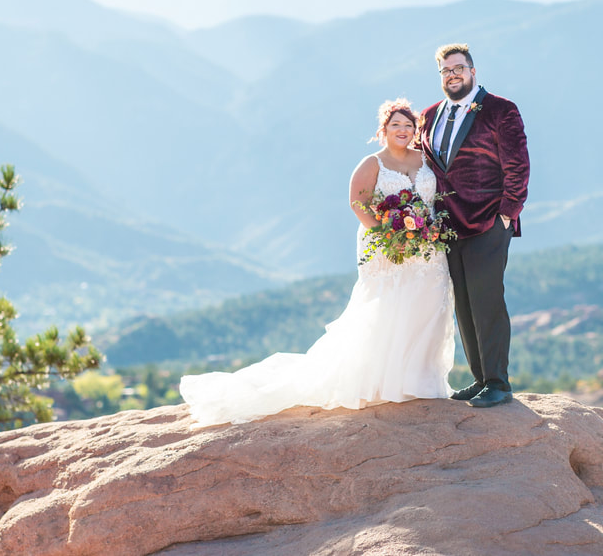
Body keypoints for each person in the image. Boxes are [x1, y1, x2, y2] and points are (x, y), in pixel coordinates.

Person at [179, 100, 455, 426]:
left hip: (428, 246)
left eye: (408, 126)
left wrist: (428, 229)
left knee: (426, 306)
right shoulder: (372, 163)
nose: (403, 130)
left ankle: (420, 381)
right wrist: (388, 233)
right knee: (387, 309)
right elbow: (358, 203)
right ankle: (385, 383)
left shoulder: (425, 160)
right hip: (386, 247)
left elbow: (437, 198)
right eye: (396, 125)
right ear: (384, 129)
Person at [419, 43, 529, 408]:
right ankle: (481, 378)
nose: (453, 75)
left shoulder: (500, 110)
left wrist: (507, 212)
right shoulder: (430, 115)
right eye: (446, 70)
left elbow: (518, 164)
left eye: (459, 68)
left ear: (472, 71)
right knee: (463, 304)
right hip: (448, 226)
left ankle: (498, 381)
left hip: (488, 222)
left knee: (487, 301)